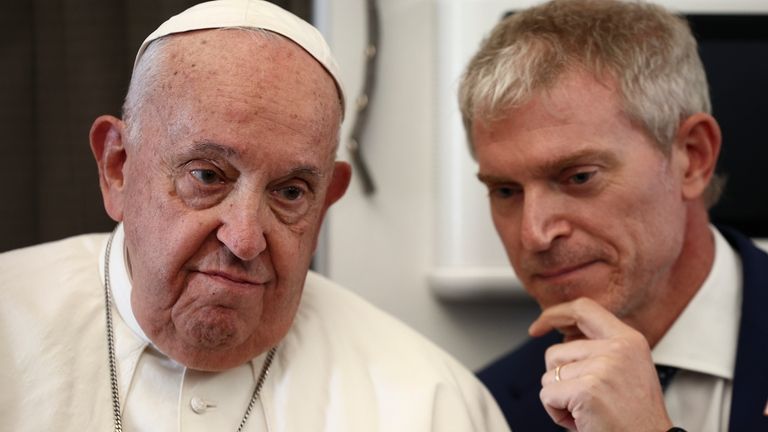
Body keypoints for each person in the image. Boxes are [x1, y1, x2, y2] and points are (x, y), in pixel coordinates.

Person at [0, 1, 510, 431]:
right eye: (207, 176)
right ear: (118, 168)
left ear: (326, 201)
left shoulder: (433, 405)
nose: (245, 238)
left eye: (290, 191)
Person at [457, 0, 768, 431]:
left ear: (692, 158)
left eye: (579, 177)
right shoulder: (482, 410)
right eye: (505, 190)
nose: (534, 234)